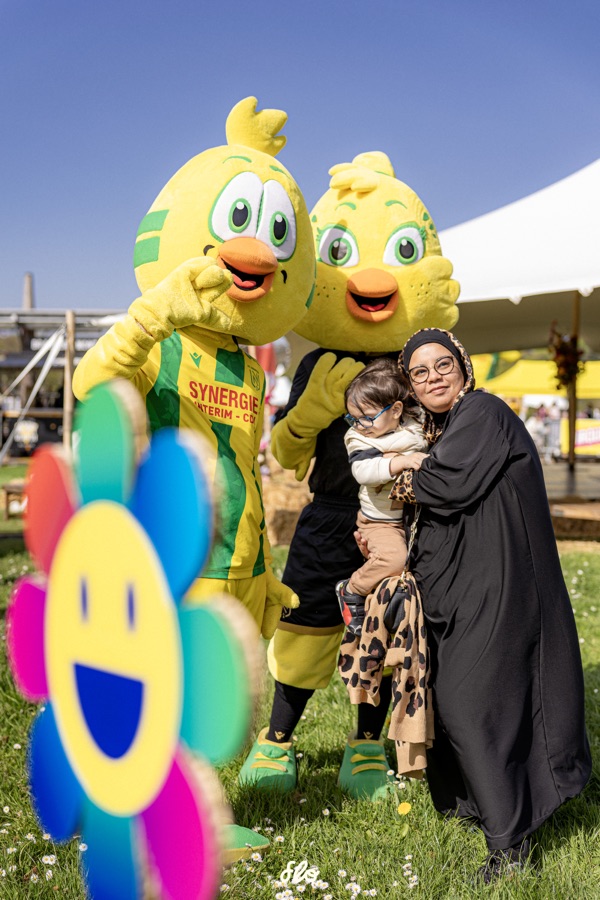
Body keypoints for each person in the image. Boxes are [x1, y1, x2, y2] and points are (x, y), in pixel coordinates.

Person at [355, 327, 591, 883]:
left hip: (501, 584)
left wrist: (402, 475)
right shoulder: (440, 429)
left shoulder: (483, 411)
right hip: (456, 588)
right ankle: (488, 806)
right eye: (419, 372)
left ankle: (509, 847)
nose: (433, 376)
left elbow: (445, 486)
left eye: (443, 365)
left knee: (470, 701)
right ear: (410, 386)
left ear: (463, 368)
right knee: (460, 697)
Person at [335, 358, 428, 635]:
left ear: (397, 409)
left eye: (367, 417)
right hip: (379, 522)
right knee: (394, 559)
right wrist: (400, 461)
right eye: (353, 418)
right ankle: (352, 588)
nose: (360, 425)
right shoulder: (359, 438)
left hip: (408, 520)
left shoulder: (414, 424)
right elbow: (364, 471)